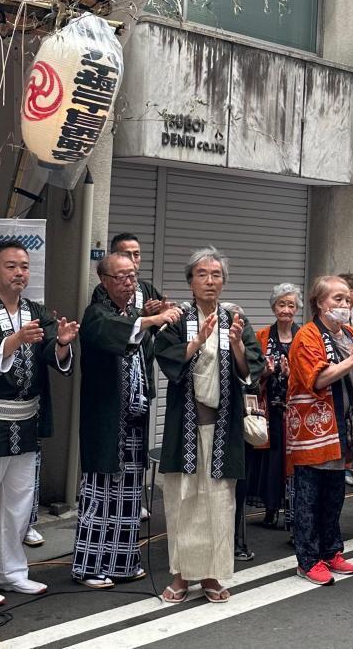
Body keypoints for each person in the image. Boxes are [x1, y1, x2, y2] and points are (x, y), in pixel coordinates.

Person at [0, 240, 78, 606]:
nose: (19, 272)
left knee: (18, 503)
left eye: (24, 266)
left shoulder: (38, 312)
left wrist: (61, 345)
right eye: (11, 266)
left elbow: (50, 353)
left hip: (26, 421)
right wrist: (14, 340)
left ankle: (10, 571)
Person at [153, 247, 265, 604]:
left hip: (223, 429)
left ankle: (213, 575)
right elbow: (166, 357)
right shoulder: (177, 318)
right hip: (184, 426)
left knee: (219, 502)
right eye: (202, 274)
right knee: (183, 499)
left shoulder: (236, 319)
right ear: (190, 281)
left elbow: (252, 370)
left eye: (216, 274)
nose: (210, 281)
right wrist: (197, 342)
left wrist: (236, 347)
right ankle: (181, 574)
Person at [70, 253, 180, 589]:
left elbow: (141, 344)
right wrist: (148, 321)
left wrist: (147, 319)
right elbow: (112, 333)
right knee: (100, 492)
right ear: (104, 280)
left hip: (133, 417)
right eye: (121, 277)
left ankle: (121, 561)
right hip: (106, 420)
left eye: (133, 276)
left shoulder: (131, 313)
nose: (129, 283)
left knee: (130, 494)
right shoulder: (96, 314)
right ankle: (88, 567)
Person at [286, 275, 353, 585]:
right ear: (319, 303)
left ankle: (331, 551)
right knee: (308, 498)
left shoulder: (350, 332)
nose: (344, 305)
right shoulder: (306, 337)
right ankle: (307, 559)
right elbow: (317, 379)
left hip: (341, 427)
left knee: (335, 495)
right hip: (312, 430)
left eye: (347, 299)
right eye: (336, 299)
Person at [94, 232, 167, 521]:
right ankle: (111, 507)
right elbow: (114, 323)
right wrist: (144, 316)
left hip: (141, 374)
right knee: (113, 449)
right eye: (127, 255)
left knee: (138, 450)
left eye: (137, 255)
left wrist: (162, 314)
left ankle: (134, 501)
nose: (133, 264)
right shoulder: (102, 294)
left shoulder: (146, 287)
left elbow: (161, 323)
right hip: (114, 383)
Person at [249, 284, 302, 532]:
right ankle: (270, 509)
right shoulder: (261, 337)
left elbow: (309, 373)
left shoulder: (303, 336)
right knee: (270, 462)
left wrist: (293, 374)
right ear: (273, 307)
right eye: (282, 304)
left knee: (292, 463)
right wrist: (265, 372)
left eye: (291, 305)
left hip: (294, 411)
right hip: (268, 407)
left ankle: (293, 512)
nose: (286, 310)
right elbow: (249, 373)